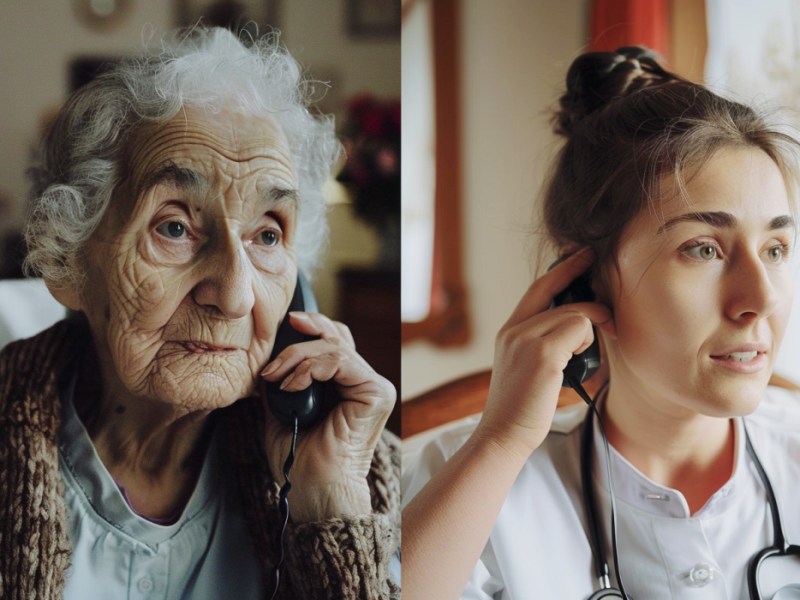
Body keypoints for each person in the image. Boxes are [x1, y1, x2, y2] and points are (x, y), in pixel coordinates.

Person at [0, 27, 400, 600]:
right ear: (69, 261)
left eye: (267, 234)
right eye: (175, 227)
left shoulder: (358, 461)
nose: (235, 296)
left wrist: (331, 504)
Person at [402, 46, 800, 599]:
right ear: (586, 279)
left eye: (776, 249)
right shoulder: (462, 480)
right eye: (704, 249)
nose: (759, 298)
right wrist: (501, 441)